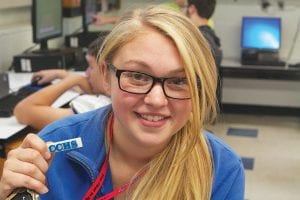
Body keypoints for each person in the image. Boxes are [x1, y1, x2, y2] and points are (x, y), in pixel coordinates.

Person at [0, 6, 244, 200]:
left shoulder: (221, 170)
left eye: (179, 81)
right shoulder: (54, 148)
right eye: (137, 76)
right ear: (106, 76)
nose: (156, 100)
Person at [13, 38, 111, 130]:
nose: (86, 73)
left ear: (104, 70)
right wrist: (60, 74)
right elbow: (93, 90)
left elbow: (23, 111)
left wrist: (70, 80)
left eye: (91, 67)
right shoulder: (113, 99)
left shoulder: (95, 107)